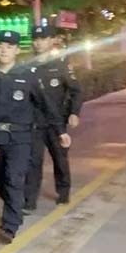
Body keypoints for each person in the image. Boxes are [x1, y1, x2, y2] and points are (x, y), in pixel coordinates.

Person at [0, 30, 70, 244]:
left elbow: (46, 104)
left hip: (20, 137)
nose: (4, 50)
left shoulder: (27, 74)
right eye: (0, 46)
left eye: (9, 47)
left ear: (17, 50)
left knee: (14, 179)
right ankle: (14, 209)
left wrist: (60, 131)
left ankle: (10, 225)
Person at [24, 25, 83, 210]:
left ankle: (63, 192)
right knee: (33, 161)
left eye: (42, 39)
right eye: (35, 39)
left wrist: (74, 112)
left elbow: (76, 90)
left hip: (56, 121)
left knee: (60, 158)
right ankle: (30, 200)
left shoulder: (61, 63)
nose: (38, 43)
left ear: (51, 41)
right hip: (34, 122)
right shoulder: (27, 66)